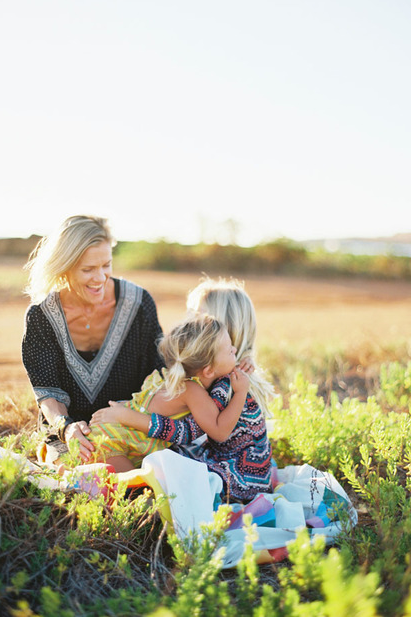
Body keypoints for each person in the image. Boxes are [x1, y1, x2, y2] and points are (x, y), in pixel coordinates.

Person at [93, 277, 275, 502]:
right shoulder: (232, 371)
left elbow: (185, 431)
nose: (190, 322)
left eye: (197, 316)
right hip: (230, 457)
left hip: (238, 472)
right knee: (165, 457)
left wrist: (129, 417)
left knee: (167, 466)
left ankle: (136, 497)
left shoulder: (227, 384)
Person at [21, 214, 164, 465]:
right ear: (64, 267)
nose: (99, 278)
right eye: (88, 269)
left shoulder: (139, 304)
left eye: (106, 265)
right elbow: (48, 395)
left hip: (128, 427)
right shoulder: (41, 318)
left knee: (133, 479)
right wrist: (66, 429)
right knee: (82, 478)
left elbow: (161, 373)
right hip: (70, 433)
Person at [87, 313, 249, 473]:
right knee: (132, 491)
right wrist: (241, 392)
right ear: (208, 371)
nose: (235, 349)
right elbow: (220, 432)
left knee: (134, 488)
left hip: (120, 435)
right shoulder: (192, 390)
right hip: (112, 441)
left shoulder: (176, 379)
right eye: (230, 351)